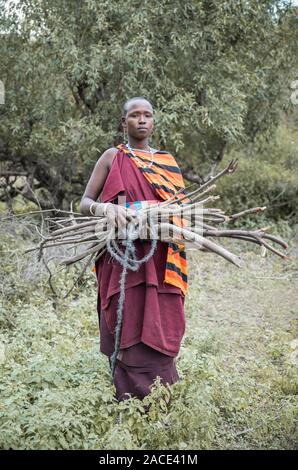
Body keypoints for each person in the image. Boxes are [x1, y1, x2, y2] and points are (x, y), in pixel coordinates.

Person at [80, 96, 189, 402]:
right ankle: (125, 396)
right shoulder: (112, 157)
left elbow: (180, 209)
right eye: (135, 115)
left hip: (159, 258)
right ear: (123, 122)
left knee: (160, 319)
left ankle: (162, 394)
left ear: (153, 122)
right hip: (121, 258)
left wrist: (159, 213)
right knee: (124, 317)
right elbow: (85, 202)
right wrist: (105, 210)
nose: (142, 120)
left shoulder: (167, 163)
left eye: (147, 115)